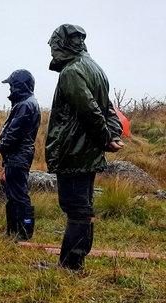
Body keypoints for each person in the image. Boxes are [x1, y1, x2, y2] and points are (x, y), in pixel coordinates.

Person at [43, 24, 124, 271]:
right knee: (83, 208)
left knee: (76, 209)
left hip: (74, 152)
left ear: (64, 44)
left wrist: (105, 138)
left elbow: (90, 109)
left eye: (54, 46)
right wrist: (112, 135)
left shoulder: (72, 72)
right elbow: (108, 109)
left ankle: (71, 264)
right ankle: (74, 261)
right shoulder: (95, 68)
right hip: (86, 152)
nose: (52, 52)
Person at [0, 69, 41, 242]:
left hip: (19, 155)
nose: (10, 89)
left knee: (19, 195)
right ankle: (12, 229)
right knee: (12, 194)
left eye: (12, 85)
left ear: (19, 85)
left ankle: (24, 232)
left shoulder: (25, 104)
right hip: (15, 155)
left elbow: (14, 132)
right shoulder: (24, 103)